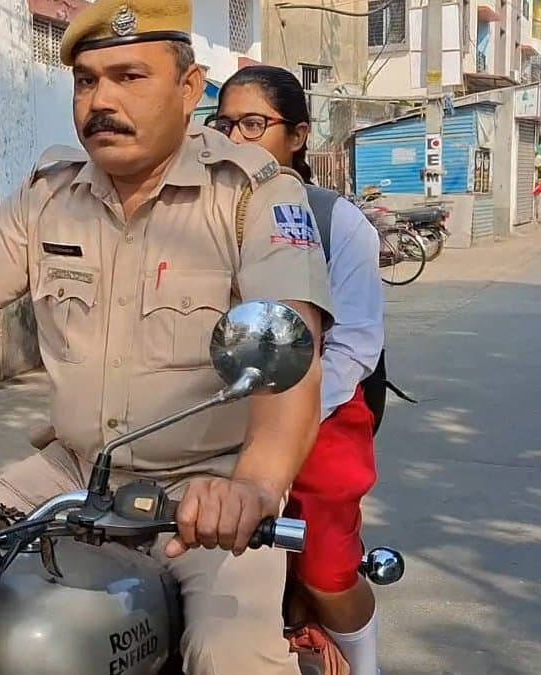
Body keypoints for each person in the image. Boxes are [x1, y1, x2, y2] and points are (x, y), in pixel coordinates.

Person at [0, 0, 334, 672]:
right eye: (86, 81)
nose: (102, 100)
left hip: (205, 490)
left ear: (190, 90)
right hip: (69, 473)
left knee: (229, 655)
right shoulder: (49, 195)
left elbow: (290, 355)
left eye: (130, 77)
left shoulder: (252, 195)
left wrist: (252, 488)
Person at [207, 65, 385, 675]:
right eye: (223, 124)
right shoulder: (199, 213)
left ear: (299, 135)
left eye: (254, 124)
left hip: (323, 410)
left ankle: (364, 662)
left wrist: (293, 406)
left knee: (325, 566)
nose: (235, 139)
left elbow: (357, 343)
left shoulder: (337, 221)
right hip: (214, 408)